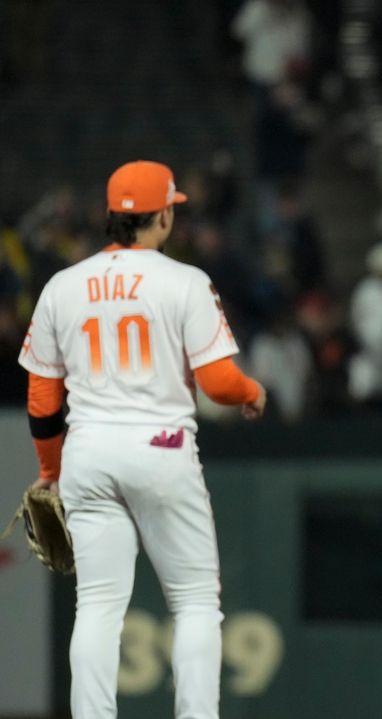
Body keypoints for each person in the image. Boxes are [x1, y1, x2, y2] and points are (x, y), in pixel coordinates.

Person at [18, 160, 268, 718]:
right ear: (161, 217)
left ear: (111, 218)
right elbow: (219, 384)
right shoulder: (184, 282)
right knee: (196, 602)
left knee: (99, 604)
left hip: (87, 451)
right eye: (170, 211)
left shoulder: (64, 285)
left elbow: (41, 398)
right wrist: (253, 391)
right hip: (160, 449)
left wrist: (51, 471)